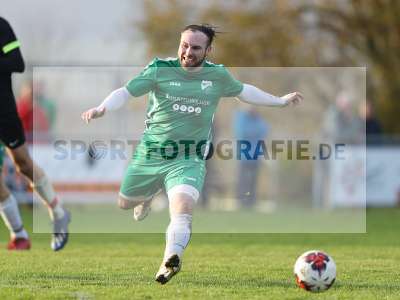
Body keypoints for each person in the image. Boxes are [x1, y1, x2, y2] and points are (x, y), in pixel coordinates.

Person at [81, 24, 303, 284]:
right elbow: (125, 92)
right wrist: (101, 108)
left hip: (189, 157)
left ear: (208, 50)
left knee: (183, 209)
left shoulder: (217, 76)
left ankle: (169, 261)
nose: (188, 52)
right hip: (151, 152)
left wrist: (279, 101)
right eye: (184, 45)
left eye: (196, 47)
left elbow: (244, 92)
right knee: (124, 204)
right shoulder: (159, 69)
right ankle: (148, 194)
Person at [0, 16, 70, 251]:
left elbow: (17, 63)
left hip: (4, 110)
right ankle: (19, 235)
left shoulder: (1, 26)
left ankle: (58, 212)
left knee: (23, 164)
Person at [234, 106, 268, 208]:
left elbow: (265, 130)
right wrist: (255, 133)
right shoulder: (241, 118)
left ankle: (251, 201)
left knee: (254, 179)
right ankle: (241, 200)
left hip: (256, 154)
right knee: (243, 179)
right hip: (244, 154)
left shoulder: (259, 119)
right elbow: (242, 133)